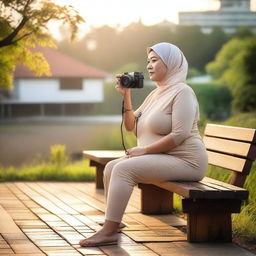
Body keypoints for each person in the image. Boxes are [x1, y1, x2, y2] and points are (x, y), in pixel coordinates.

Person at [79, 42, 208, 247]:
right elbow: (131, 126)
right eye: (148, 61)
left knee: (123, 169)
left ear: (171, 63)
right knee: (112, 166)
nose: (149, 65)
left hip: (186, 161)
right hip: (164, 158)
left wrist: (144, 151)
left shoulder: (183, 92)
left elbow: (179, 135)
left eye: (155, 60)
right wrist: (126, 96)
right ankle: (114, 222)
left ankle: (109, 231)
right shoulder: (155, 94)